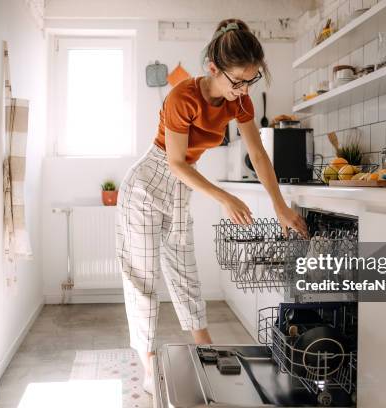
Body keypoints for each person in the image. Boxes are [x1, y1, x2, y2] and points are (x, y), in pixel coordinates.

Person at [115, 18, 308, 393]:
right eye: (237, 81)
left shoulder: (240, 101)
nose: (242, 89)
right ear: (213, 69)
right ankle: (149, 363)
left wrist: (280, 205)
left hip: (181, 188)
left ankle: (206, 349)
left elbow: (258, 153)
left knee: (184, 269)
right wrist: (223, 195)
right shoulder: (182, 97)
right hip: (146, 186)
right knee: (142, 280)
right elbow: (174, 162)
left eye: (250, 80)